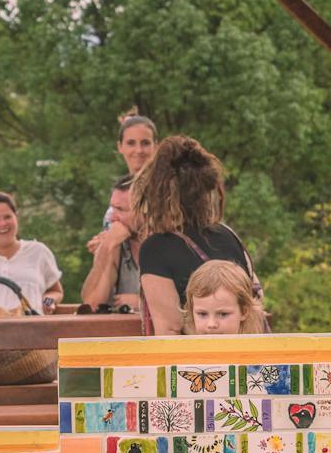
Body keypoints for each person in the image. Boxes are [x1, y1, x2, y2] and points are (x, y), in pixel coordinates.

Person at [131, 135, 255, 335]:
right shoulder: (228, 235)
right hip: (244, 358)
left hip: (199, 364)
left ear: (156, 191)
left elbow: (169, 330)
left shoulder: (155, 249)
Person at [80, 114, 156, 311]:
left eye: (145, 143)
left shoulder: (171, 197)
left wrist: (142, 302)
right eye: (131, 143)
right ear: (120, 147)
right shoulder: (118, 199)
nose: (138, 150)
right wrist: (104, 245)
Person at [79, 177, 142, 313]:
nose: (113, 218)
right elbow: (92, 304)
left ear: (145, 210)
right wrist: (106, 247)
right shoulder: (116, 245)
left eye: (120, 209)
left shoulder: (168, 244)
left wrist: (141, 302)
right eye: (113, 208)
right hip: (122, 332)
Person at [183, 259, 264, 334]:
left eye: (223, 314)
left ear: (243, 311)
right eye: (202, 314)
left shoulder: (257, 348)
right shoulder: (186, 349)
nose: (211, 324)